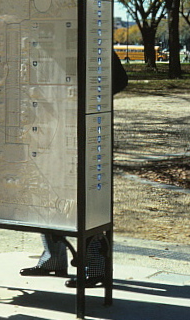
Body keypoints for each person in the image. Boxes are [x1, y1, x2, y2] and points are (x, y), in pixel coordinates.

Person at [20, 50, 128, 287]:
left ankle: (96, 267)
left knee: (83, 199)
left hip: (80, 133)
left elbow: (119, 79)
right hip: (49, 133)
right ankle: (53, 259)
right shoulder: (47, 44)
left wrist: (88, 98)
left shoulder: (93, 45)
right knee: (47, 193)